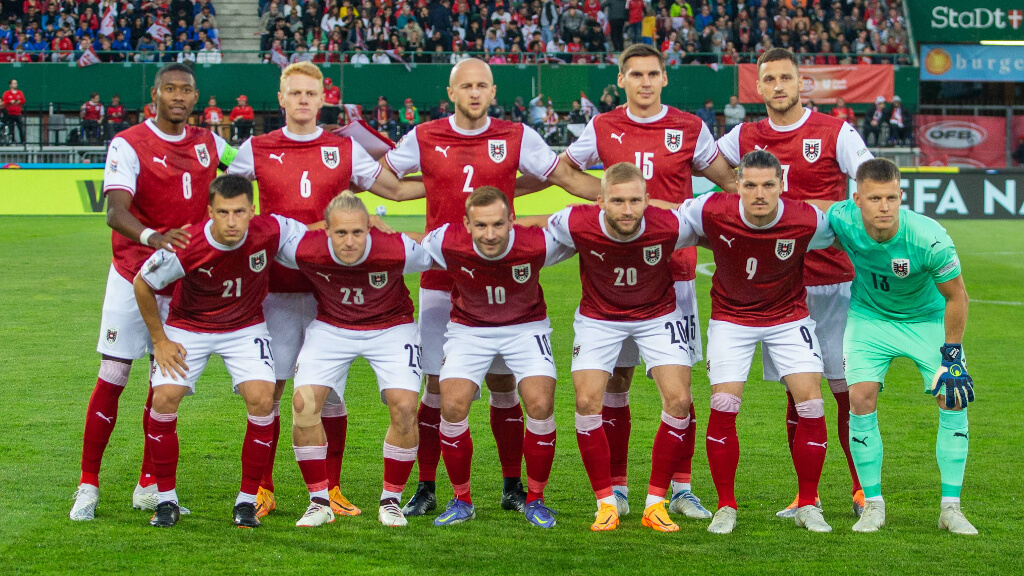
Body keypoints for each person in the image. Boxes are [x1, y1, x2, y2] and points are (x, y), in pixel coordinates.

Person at [520, 43, 737, 520]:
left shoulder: (689, 127)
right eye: (635, 74)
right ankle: (616, 488)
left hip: (673, 274)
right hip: (612, 276)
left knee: (678, 386)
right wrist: (601, 200)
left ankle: (681, 487)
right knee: (615, 382)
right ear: (621, 79)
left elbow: (729, 181)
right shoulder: (602, 127)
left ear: (665, 79)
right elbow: (566, 171)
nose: (644, 81)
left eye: (652, 74)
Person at [383, 58, 601, 518]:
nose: (475, 93)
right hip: (442, 278)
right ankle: (426, 486)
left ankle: (512, 485)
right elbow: (391, 186)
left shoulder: (517, 134)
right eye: (466, 86)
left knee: (505, 387)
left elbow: (557, 175)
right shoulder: (424, 136)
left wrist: (609, 195)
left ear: (494, 90)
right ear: (451, 92)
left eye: (482, 85)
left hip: (502, 277)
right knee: (437, 389)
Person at [226, 61, 425, 519]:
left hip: (330, 294)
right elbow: (230, 205)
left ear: (322, 98)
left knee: (328, 395)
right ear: (281, 99)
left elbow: (392, 190)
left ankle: (331, 489)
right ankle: (263, 488)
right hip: (275, 290)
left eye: (310, 94)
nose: (302, 101)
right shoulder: (255, 149)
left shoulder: (344, 149)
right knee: (270, 392)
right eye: (293, 93)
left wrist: (448, 179)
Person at [70, 63, 233, 522]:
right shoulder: (128, 142)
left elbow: (251, 165)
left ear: (196, 98)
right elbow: (115, 212)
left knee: (163, 383)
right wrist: (152, 238)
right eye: (170, 89)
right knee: (114, 374)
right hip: (131, 271)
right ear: (155, 95)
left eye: (187, 90)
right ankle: (88, 485)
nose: (178, 96)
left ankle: (149, 485)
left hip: (184, 282)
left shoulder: (210, 143)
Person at [717, 47, 874, 518]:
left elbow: (867, 177)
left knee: (847, 388)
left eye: (787, 77)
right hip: (783, 287)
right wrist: (740, 197)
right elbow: (712, 167)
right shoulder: (745, 135)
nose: (779, 86)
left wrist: (849, 218)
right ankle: (808, 494)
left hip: (834, 283)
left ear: (800, 83)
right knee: (798, 389)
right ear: (758, 87)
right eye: (770, 79)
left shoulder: (833, 131)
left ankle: (860, 486)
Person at [675, 150, 836, 535]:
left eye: (768, 185)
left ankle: (808, 503)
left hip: (788, 318)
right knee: (724, 403)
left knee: (812, 403)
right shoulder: (710, 209)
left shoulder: (807, 218)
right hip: (731, 320)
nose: (759, 193)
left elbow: (852, 239)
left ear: (782, 185)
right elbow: (667, 228)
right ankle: (726, 506)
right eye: (749, 185)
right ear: (737, 185)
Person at [133, 174, 306, 528]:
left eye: (239, 212)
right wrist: (160, 340)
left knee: (262, 400)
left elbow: (315, 234)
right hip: (189, 327)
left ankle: (246, 501)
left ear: (252, 210)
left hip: (244, 328)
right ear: (209, 211)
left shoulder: (271, 229)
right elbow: (142, 283)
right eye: (223, 212)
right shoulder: (186, 244)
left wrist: (364, 225)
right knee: (163, 399)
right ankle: (166, 501)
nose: (232, 221)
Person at [815, 158, 976, 535]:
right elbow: (817, 208)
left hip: (927, 320)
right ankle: (872, 505)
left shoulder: (929, 237)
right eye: (874, 198)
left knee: (952, 397)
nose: (884, 206)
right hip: (870, 319)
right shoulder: (844, 218)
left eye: (891, 197)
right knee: (860, 398)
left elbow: (958, 297)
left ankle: (951, 509)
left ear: (902, 196)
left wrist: (951, 355)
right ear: (857, 200)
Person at [546, 162, 699, 533]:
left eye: (635, 200)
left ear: (648, 200)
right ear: (600, 201)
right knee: (586, 402)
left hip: (658, 315)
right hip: (599, 318)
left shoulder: (671, 224)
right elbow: (534, 239)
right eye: (617, 201)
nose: (627, 210)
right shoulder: (574, 222)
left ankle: (655, 503)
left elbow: (721, 231)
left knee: (679, 400)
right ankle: (606, 503)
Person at [420, 187, 573, 527]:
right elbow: (412, 249)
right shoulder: (445, 240)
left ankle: (535, 499)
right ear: (466, 224)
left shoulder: (537, 243)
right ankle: (461, 500)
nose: (490, 234)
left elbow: (581, 237)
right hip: (469, 330)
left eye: (498, 225)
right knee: (453, 405)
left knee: (540, 404)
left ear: (512, 221)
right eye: (481, 225)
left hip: (526, 327)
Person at [278, 191, 432, 528]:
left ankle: (390, 501)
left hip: (392, 327)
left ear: (370, 228)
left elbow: (442, 249)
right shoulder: (305, 248)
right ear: (326, 231)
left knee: (405, 407)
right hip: (332, 327)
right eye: (341, 233)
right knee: (303, 405)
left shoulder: (397, 248)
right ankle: (319, 502)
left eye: (358, 232)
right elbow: (267, 234)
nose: (350, 242)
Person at [2, 79, 26, 143]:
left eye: (16, 83)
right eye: (14, 83)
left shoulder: (20, 93)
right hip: (10, 113)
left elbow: (23, 101)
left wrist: (19, 101)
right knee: (11, 128)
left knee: (21, 127)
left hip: (18, 113)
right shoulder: (6, 93)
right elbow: (4, 102)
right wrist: (10, 101)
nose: (16, 84)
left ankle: (23, 140)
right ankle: (13, 140)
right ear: (10, 85)